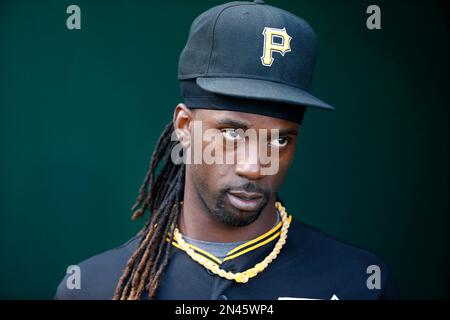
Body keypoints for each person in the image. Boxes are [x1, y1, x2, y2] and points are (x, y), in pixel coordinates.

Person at [55, 0, 397, 300]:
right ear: (185, 127)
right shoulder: (95, 287)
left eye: (280, 140)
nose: (255, 166)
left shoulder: (359, 281)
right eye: (233, 133)